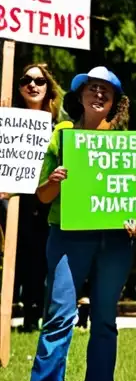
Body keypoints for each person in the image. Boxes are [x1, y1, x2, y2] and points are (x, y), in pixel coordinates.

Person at [23, 67, 136, 381]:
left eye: (106, 90)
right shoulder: (63, 135)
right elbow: (40, 195)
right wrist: (55, 180)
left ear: (116, 102)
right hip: (68, 236)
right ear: (81, 96)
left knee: (105, 320)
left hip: (115, 240)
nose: (99, 95)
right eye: (92, 89)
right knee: (59, 315)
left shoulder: (127, 143)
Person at [9, 64, 63, 331]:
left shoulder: (59, 129)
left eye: (39, 81)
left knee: (44, 257)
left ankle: (38, 313)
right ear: (19, 87)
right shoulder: (6, 123)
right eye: (26, 80)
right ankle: (18, 311)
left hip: (48, 199)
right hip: (14, 199)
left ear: (48, 88)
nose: (32, 85)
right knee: (18, 256)